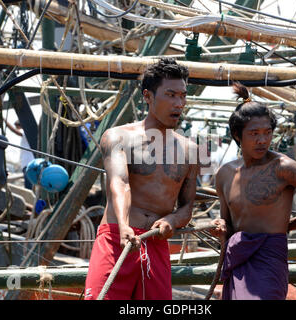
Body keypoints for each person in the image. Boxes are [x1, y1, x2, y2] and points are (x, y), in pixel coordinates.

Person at [84, 58, 224, 300]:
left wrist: (172, 219)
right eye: (171, 95)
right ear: (148, 96)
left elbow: (187, 207)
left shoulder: (191, 151)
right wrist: (124, 224)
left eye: (183, 96)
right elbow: (119, 183)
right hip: (117, 237)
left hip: (156, 244)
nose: (179, 103)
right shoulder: (118, 136)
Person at [214, 82, 296, 300]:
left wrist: (290, 225)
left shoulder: (284, 168)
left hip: (269, 263)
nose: (262, 140)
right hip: (237, 260)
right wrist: (220, 230)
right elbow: (227, 228)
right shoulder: (225, 174)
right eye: (254, 133)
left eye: (267, 132)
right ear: (237, 135)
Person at [5, 119, 35, 189]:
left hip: (28, 163)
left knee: (29, 186)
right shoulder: (29, 134)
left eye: (17, 126)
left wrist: (4, 120)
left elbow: (14, 131)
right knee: (30, 185)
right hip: (28, 163)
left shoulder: (26, 132)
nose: (16, 128)